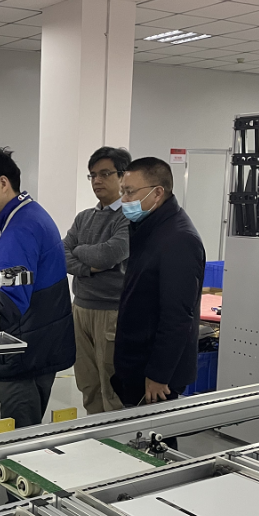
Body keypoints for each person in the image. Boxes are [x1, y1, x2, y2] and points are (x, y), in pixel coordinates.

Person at [0, 148, 75, 428]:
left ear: (3, 183)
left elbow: (8, 306)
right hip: (42, 347)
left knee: (20, 439)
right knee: (31, 431)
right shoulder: (34, 214)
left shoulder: (19, 231)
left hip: (23, 357)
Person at [112, 156, 205, 412]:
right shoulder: (148, 227)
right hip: (136, 360)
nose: (124, 200)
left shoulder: (179, 239)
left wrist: (159, 374)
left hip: (155, 374)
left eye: (130, 192)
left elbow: (177, 316)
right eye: (123, 192)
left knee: (152, 434)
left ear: (157, 193)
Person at [64, 146, 132, 415]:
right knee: (87, 381)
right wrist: (89, 267)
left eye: (105, 174)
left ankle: (116, 436)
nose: (97, 181)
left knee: (111, 383)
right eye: (92, 175)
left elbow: (109, 255)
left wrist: (79, 250)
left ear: (122, 176)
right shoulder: (84, 218)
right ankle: (94, 431)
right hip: (80, 308)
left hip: (111, 311)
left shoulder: (129, 217)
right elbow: (61, 254)